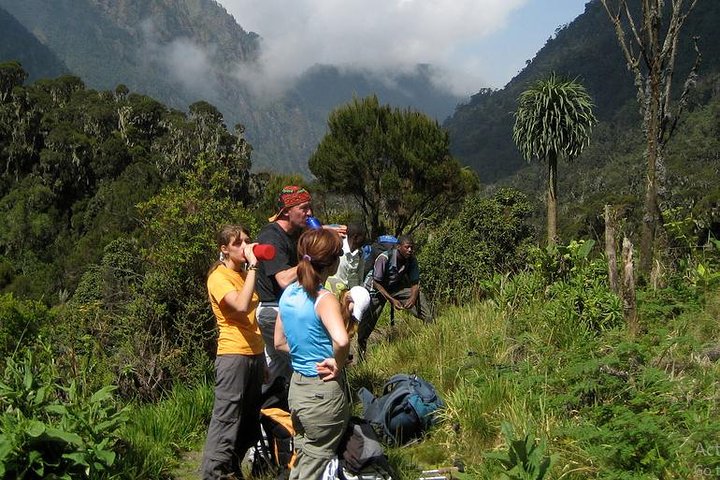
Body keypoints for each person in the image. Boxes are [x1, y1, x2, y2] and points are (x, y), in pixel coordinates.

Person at [273, 229, 350, 480]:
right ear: (332, 262)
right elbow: (341, 340)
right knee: (314, 463)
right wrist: (336, 363)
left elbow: (279, 343)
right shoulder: (323, 298)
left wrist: (304, 354)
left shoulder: (288, 294)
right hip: (322, 393)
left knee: (305, 455)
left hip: (297, 390)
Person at [201, 225, 266, 480]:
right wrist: (253, 267)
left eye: (247, 241)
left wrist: (263, 357)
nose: (245, 246)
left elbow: (252, 318)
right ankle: (212, 474)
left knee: (248, 420)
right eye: (238, 243)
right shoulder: (219, 277)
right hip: (233, 354)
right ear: (224, 249)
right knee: (227, 418)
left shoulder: (243, 274)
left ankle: (232, 468)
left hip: (254, 353)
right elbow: (240, 306)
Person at [255, 185, 314, 388]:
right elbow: (282, 279)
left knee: (276, 369)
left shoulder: (295, 232)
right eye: (304, 208)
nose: (310, 213)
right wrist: (312, 259)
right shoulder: (271, 237)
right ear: (287, 211)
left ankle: (267, 410)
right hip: (273, 310)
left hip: (283, 309)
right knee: (305, 362)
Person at [358, 234, 433, 356]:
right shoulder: (384, 258)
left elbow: (415, 283)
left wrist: (413, 298)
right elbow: (376, 282)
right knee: (367, 323)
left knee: (419, 297)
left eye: (412, 248)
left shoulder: (412, 260)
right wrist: (392, 300)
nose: (410, 250)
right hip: (378, 288)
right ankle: (361, 352)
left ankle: (431, 333)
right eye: (407, 247)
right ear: (398, 247)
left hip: (395, 286)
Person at [326, 223, 366, 294]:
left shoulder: (361, 253)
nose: (365, 239)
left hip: (350, 295)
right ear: (355, 237)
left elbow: (360, 277)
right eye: (363, 237)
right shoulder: (337, 248)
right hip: (333, 292)